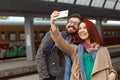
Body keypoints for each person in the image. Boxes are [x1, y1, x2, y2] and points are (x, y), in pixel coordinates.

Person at [50, 11, 117, 80]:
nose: (81, 31)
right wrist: (52, 23)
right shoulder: (75, 49)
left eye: (85, 28)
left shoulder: (103, 49)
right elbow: (60, 42)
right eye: (80, 28)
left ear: (91, 30)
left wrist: (113, 73)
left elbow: (110, 68)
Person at [35, 11, 81, 80]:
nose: (72, 24)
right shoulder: (52, 35)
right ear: (67, 24)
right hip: (53, 77)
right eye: (70, 21)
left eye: (76, 23)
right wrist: (45, 77)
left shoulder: (79, 44)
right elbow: (40, 55)